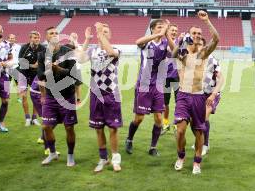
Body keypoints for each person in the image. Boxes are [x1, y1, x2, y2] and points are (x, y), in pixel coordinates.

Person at [172, 10, 220, 174]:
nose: (197, 35)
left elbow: (216, 39)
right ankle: (181, 156)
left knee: (199, 131)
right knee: (180, 130)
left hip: (199, 97)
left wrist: (206, 21)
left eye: (199, 33)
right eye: (194, 33)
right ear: (189, 35)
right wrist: (178, 42)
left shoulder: (204, 53)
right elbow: (172, 54)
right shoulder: (183, 54)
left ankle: (197, 162)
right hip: (183, 96)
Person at [125, 19, 175, 156]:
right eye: (159, 27)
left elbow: (175, 52)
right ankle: (129, 139)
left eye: (163, 27)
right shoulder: (147, 42)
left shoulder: (165, 43)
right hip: (144, 85)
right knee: (139, 118)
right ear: (152, 29)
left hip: (158, 85)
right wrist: (159, 34)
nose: (161, 29)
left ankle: (153, 147)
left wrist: (167, 35)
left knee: (159, 118)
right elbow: (138, 41)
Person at [79, 23, 123, 172]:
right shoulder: (92, 51)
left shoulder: (116, 49)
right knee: (98, 129)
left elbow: (110, 51)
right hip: (95, 94)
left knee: (113, 129)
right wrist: (86, 40)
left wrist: (101, 35)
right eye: (101, 32)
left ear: (109, 35)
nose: (102, 34)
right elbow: (79, 59)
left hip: (111, 94)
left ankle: (116, 159)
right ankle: (103, 159)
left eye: (106, 32)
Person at [38, 27, 79, 166]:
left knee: (69, 127)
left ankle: (70, 155)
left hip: (67, 96)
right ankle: (53, 153)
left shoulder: (68, 52)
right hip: (50, 96)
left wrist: (57, 69)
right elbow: (40, 75)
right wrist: (49, 69)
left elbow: (73, 74)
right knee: (46, 126)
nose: (55, 35)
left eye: (56, 33)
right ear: (47, 37)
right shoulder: (42, 54)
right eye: (51, 33)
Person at [201, 38, 224, 156]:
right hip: (198, 94)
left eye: (201, 45)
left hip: (211, 94)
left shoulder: (212, 60)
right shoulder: (193, 59)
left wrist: (213, 94)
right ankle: (201, 141)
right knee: (197, 120)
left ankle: (205, 144)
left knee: (204, 118)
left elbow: (221, 79)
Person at [18, 31, 45, 126]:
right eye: (35, 37)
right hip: (23, 74)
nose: (37, 39)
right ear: (30, 38)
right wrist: (33, 65)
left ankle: (34, 118)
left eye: (38, 37)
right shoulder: (24, 47)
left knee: (36, 97)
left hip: (36, 75)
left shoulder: (43, 48)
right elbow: (20, 62)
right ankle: (27, 118)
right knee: (24, 96)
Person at [162, 24, 180, 134]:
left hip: (177, 77)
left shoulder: (180, 42)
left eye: (175, 30)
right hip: (165, 77)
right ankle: (165, 123)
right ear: (168, 31)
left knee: (179, 102)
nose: (174, 32)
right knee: (165, 103)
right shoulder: (163, 42)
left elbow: (173, 49)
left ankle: (177, 124)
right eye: (172, 30)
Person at [7, 34, 21, 102]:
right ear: (8, 39)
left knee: (18, 83)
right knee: (7, 83)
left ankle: (19, 98)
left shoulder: (18, 47)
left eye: (13, 38)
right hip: (7, 68)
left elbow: (21, 56)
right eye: (10, 38)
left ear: (15, 39)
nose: (11, 39)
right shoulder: (5, 46)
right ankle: (7, 97)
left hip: (16, 67)